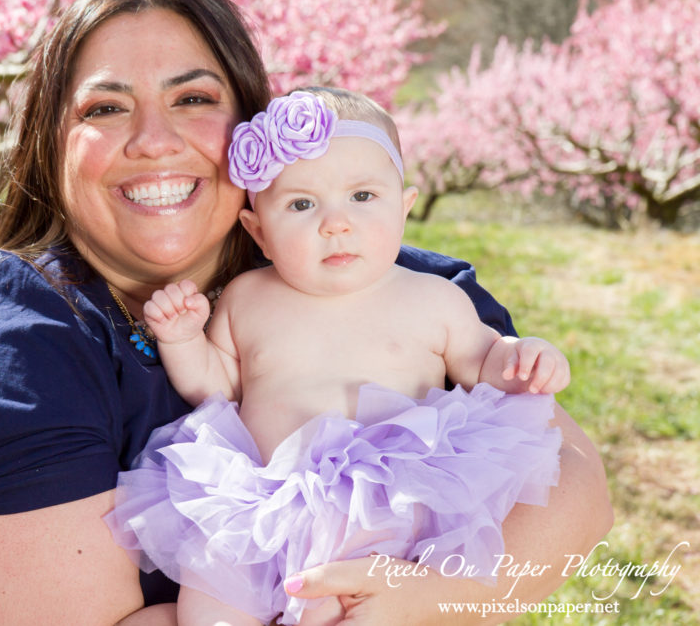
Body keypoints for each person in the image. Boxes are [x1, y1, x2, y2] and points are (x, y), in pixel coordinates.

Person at [0, 0, 612, 626]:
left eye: (193, 97)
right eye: (104, 109)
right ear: (49, 143)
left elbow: (575, 486)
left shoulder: (376, 275)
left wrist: (435, 600)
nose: (153, 139)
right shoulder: (11, 331)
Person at [105, 88, 570, 626]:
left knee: (351, 610)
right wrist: (184, 339)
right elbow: (215, 388)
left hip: (390, 508)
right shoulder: (247, 298)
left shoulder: (432, 298)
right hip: (264, 508)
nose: (335, 223)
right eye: (301, 205)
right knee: (205, 608)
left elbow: (483, 360)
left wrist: (523, 356)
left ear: (405, 205)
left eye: (363, 197)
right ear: (258, 230)